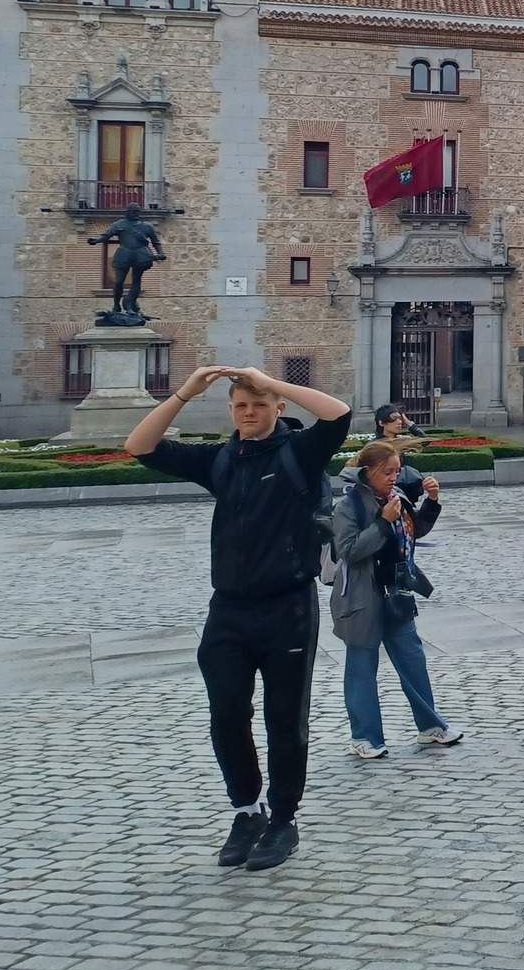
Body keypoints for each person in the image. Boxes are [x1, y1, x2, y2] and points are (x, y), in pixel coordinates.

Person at [125, 365, 353, 872]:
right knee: (227, 717)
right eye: (241, 406)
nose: (249, 413)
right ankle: (247, 810)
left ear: (277, 408)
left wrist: (266, 379)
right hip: (228, 610)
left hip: (287, 607)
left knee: (283, 722)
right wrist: (185, 392)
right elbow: (139, 446)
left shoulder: (298, 452)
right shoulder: (220, 459)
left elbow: (337, 416)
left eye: (259, 405)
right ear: (231, 411)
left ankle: (284, 820)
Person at [331, 441, 462, 758]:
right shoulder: (348, 505)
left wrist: (431, 501)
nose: (393, 477)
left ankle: (430, 727)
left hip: (396, 592)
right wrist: (382, 522)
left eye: (396, 470)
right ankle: (364, 737)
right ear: (368, 471)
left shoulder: (396, 497)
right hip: (361, 597)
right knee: (362, 667)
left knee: (413, 660)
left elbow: (414, 530)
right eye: (387, 471)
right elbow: (348, 550)